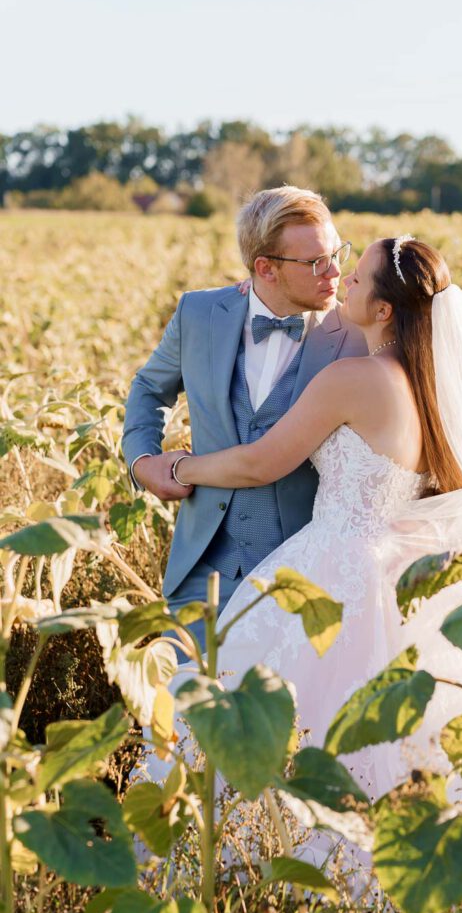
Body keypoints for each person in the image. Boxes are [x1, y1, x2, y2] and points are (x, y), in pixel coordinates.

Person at [158, 234, 462, 870]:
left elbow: (263, 462)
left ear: (383, 311)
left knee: (291, 718)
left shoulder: (353, 379)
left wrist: (177, 465)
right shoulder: (430, 390)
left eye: (357, 277)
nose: (342, 279)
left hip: (335, 562)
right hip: (402, 569)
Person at [122, 186, 367, 645]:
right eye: (315, 261)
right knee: (186, 711)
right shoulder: (199, 313)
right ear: (265, 268)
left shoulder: (357, 334)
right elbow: (148, 387)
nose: (334, 271)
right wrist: (142, 461)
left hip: (308, 580)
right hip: (201, 574)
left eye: (337, 254)